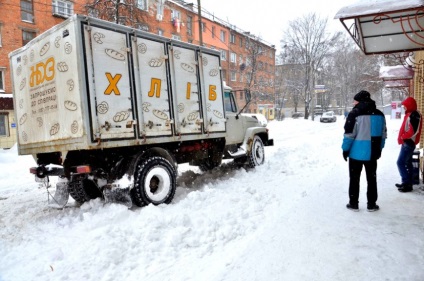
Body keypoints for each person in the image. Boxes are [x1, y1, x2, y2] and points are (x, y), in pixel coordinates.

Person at [342, 90, 387, 212]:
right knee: (372, 179)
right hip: (373, 154)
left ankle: (353, 203)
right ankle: (371, 204)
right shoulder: (380, 115)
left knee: (354, 179)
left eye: (355, 100)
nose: (353, 103)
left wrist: (345, 150)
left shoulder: (354, 114)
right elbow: (383, 135)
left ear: (360, 101)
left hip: (356, 154)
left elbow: (349, 135)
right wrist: (379, 149)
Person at [395, 97, 422, 192]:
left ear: (409, 105)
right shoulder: (410, 114)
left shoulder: (414, 115)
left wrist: (403, 136)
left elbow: (412, 130)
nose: (404, 108)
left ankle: (407, 183)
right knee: (407, 163)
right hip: (407, 142)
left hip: (408, 142)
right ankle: (407, 182)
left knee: (400, 162)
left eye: (405, 106)